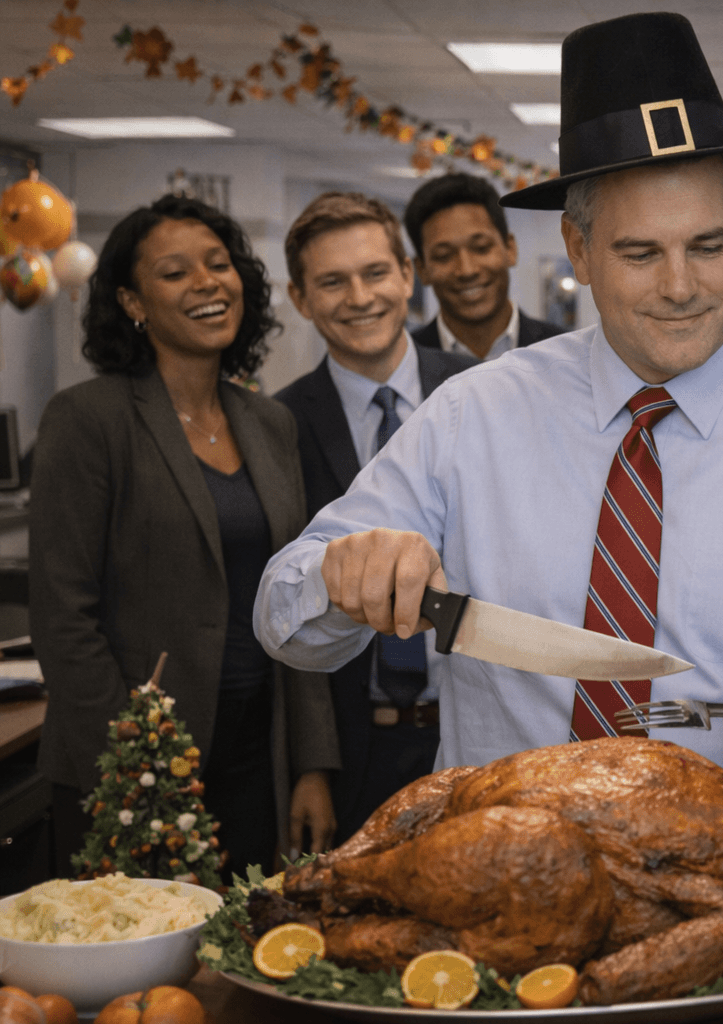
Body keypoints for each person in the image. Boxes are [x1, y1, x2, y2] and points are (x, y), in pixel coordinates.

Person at [254, 11, 723, 839]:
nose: (682, 285)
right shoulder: (474, 415)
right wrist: (340, 572)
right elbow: (283, 619)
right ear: (577, 253)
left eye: (710, 245)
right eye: (641, 253)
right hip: (500, 872)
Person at [30, 194, 339, 875]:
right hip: (133, 769)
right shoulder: (88, 419)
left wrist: (312, 764)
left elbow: (300, 596)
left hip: (261, 754)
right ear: (132, 303)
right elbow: (62, 618)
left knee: (245, 952)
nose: (206, 282)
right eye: (174, 272)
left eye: (218, 264)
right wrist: (135, 769)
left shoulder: (269, 423)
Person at [276, 192, 476, 842]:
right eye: (332, 282)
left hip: (475, 727)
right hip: (355, 747)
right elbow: (282, 594)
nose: (360, 297)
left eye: (375, 273)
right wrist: (312, 766)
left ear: (407, 277)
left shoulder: (481, 391)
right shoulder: (278, 425)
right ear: (302, 299)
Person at [405, 172, 566, 361]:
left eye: (481, 248)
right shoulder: (406, 362)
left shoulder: (563, 352)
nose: (467, 270)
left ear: (510, 248)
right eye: (444, 256)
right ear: (422, 269)